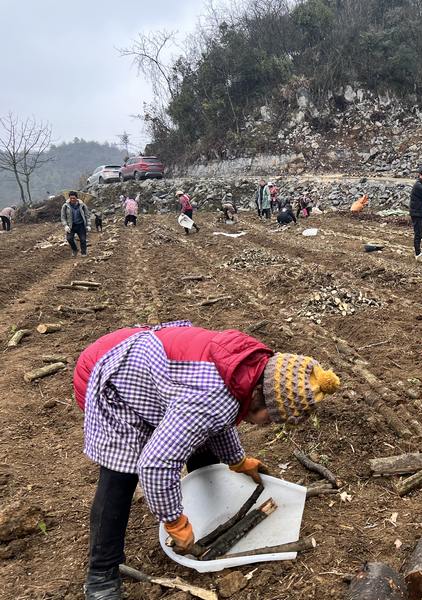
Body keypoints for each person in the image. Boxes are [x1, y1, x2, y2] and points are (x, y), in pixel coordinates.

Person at [74, 320, 340, 600]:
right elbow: (155, 464)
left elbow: (218, 420)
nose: (267, 424)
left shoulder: (248, 370)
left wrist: (237, 460)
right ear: (259, 395)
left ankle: (205, 520)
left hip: (145, 364)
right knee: (121, 474)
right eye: (271, 417)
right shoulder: (210, 398)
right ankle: (101, 575)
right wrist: (173, 521)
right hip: (108, 375)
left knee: (197, 441)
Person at [60, 191, 91, 257]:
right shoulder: (65, 206)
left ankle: (83, 252)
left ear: (77, 198)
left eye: (74, 198)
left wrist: (88, 225)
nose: (72, 200)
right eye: (71, 198)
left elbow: (87, 215)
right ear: (69, 198)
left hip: (81, 225)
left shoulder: (82, 205)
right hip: (71, 225)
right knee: (69, 238)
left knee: (83, 239)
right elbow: (63, 217)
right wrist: (65, 225)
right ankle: (75, 249)